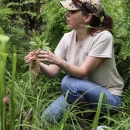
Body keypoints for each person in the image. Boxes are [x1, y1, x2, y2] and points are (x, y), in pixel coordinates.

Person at [25, 0, 124, 123]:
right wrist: (37, 63)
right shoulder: (67, 37)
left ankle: (87, 119)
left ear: (88, 17)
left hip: (108, 97)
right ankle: (86, 113)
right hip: (77, 91)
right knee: (47, 118)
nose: (67, 14)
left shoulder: (103, 37)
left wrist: (58, 61)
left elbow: (82, 72)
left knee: (68, 82)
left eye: (72, 11)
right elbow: (52, 72)